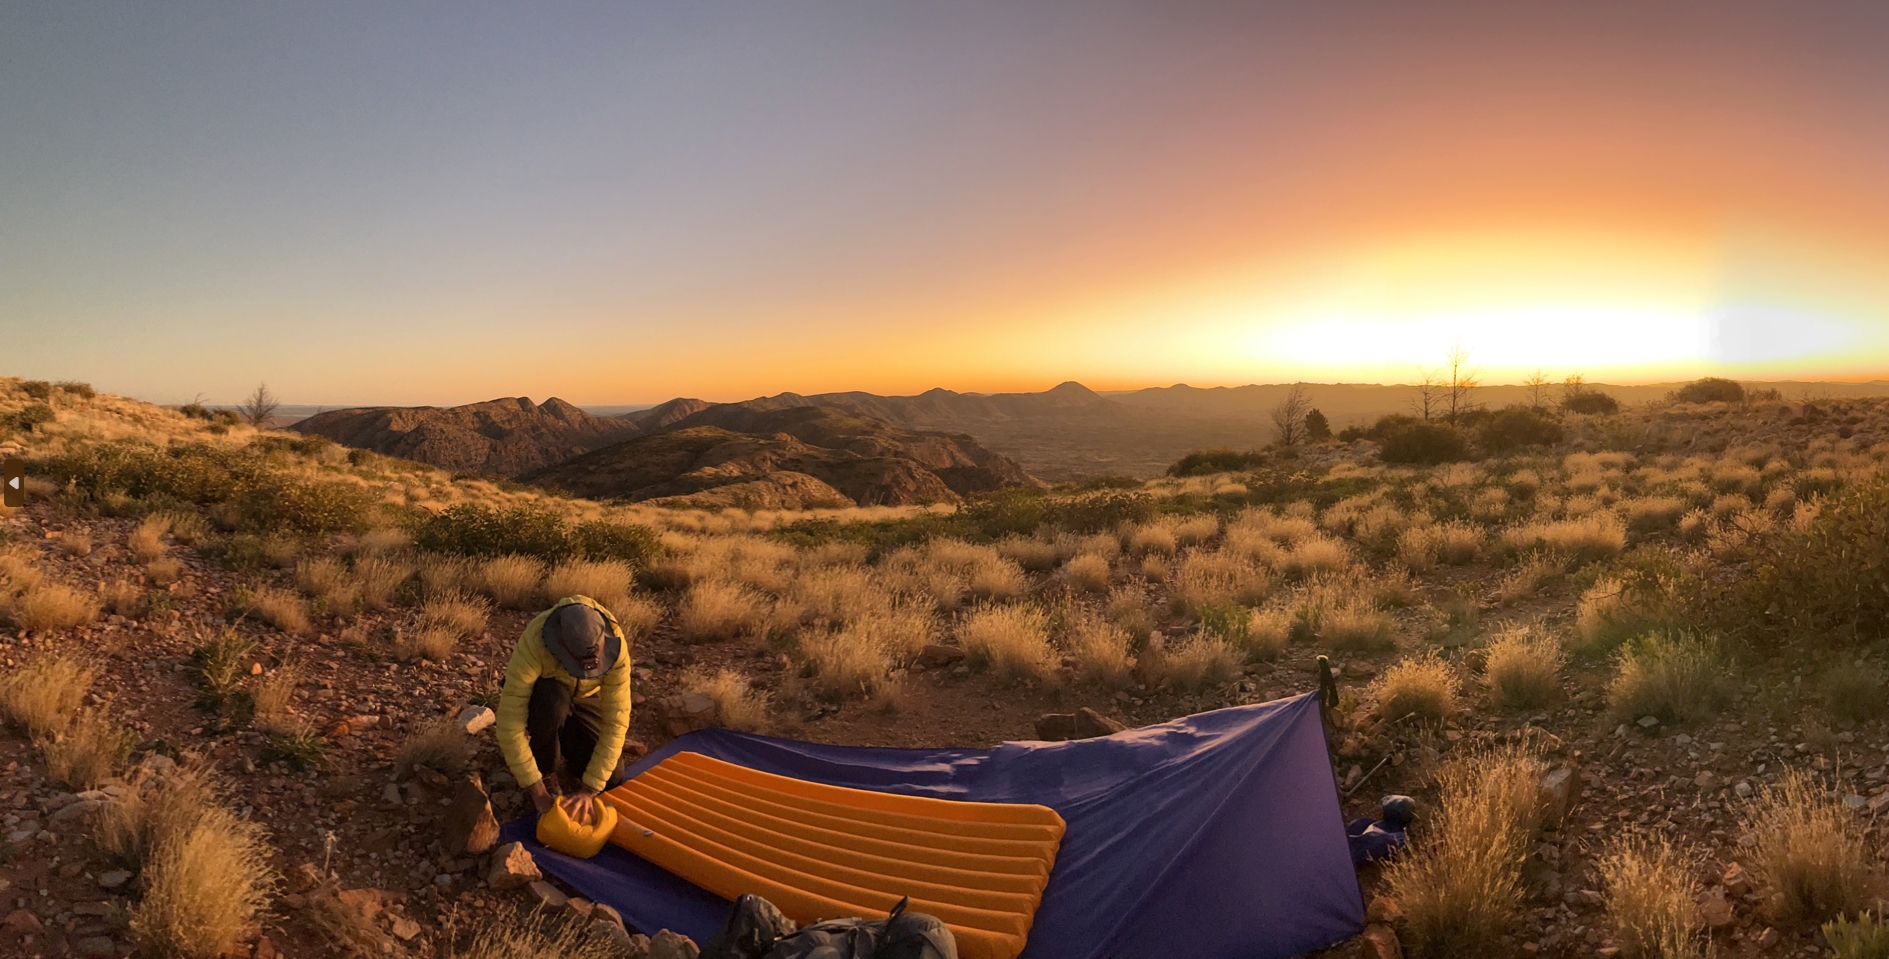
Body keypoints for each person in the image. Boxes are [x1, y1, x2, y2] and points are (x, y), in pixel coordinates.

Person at [494, 594, 633, 827]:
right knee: (553, 702)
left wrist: (589, 789)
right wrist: (535, 787)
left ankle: (567, 735)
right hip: (548, 696)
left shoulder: (616, 643)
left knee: (612, 779)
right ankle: (546, 767)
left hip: (586, 699)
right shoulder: (534, 642)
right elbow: (509, 724)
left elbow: (616, 722)